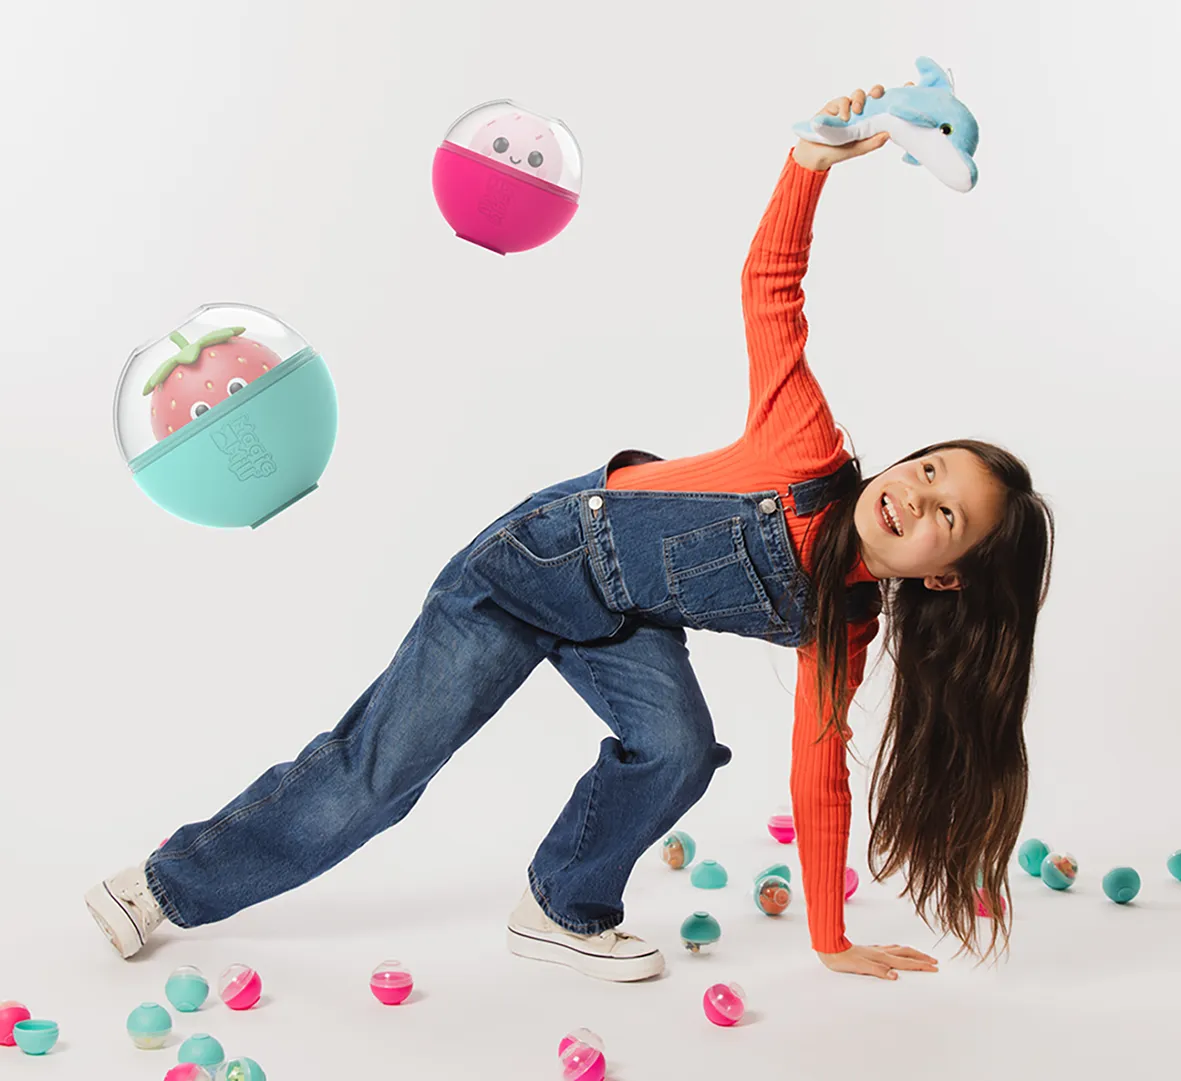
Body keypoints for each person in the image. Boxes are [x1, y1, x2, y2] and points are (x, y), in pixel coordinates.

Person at [86, 82, 1054, 982]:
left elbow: (818, 760)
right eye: (928, 470)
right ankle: (161, 885)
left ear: (946, 579)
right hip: (531, 564)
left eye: (945, 518)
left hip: (618, 620)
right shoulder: (804, 446)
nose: (914, 497)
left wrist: (828, 937)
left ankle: (560, 904)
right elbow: (770, 284)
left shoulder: (843, 621)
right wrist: (807, 164)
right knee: (375, 777)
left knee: (675, 748)